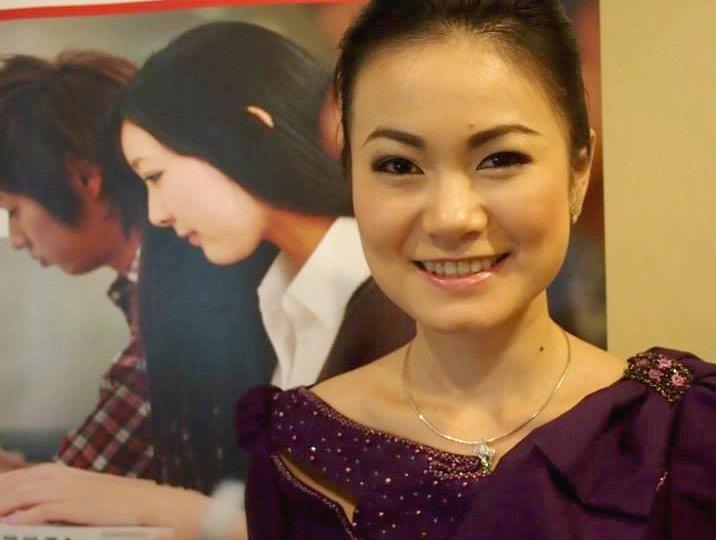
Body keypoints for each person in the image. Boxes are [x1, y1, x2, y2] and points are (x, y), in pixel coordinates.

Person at [237, 1, 716, 539]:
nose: (452, 218)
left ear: (578, 171)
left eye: (500, 159)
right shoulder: (295, 448)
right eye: (398, 165)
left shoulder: (680, 426)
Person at [0, 22, 412, 539]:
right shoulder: (287, 301)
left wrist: (159, 506)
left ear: (245, 133)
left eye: (156, 176)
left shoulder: (398, 300)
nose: (156, 214)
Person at [0, 51, 153, 478]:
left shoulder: (173, 303)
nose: (16, 239)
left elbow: (81, 486)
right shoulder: (145, 288)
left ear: (85, 177)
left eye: (14, 210)